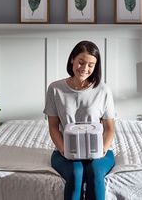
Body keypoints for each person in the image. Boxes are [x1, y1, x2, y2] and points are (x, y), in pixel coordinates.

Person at [43, 41, 115, 200]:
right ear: (72, 60)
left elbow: (109, 128)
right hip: (65, 151)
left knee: (95, 172)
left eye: (91, 65)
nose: (85, 68)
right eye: (81, 62)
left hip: (99, 151)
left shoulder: (103, 90)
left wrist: (101, 150)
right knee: (76, 173)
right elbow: (53, 127)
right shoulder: (55, 89)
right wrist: (64, 150)